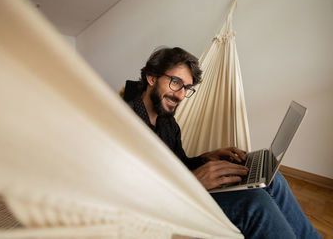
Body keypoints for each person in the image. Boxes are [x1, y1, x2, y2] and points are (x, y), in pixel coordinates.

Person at [124, 47, 321, 238]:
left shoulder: (168, 122)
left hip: (187, 189)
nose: (181, 95)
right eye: (175, 82)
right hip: (169, 203)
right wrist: (192, 184)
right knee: (254, 201)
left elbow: (179, 164)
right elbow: (130, 194)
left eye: (186, 88)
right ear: (151, 78)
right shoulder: (124, 125)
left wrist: (205, 159)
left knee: (273, 179)